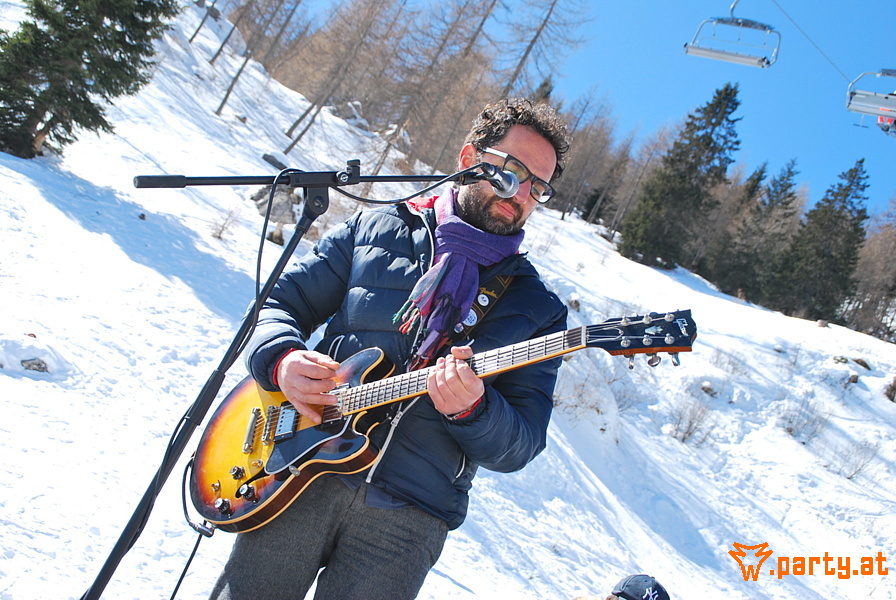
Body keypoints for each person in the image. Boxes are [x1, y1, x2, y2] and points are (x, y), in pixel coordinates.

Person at [209, 98, 570, 600]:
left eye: (539, 187)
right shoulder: (375, 229)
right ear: (469, 159)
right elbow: (279, 302)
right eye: (511, 172)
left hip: (408, 520)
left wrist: (473, 410)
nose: (522, 194)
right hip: (299, 471)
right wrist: (283, 359)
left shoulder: (539, 310)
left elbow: (521, 444)